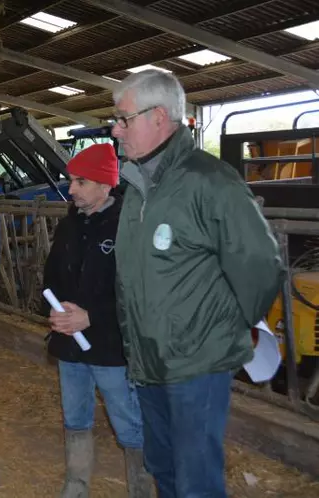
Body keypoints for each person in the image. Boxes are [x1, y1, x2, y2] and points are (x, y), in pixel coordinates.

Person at [111, 69, 283, 497]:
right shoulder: (137, 186)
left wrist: (226, 328)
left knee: (196, 482)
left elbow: (259, 262)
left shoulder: (209, 180)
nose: (115, 129)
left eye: (123, 118)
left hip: (197, 362)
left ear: (159, 117)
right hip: (149, 359)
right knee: (164, 470)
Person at [43, 144, 153, 498]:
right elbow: (50, 278)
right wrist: (56, 309)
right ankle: (76, 484)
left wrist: (91, 316)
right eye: (71, 180)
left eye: (80, 181)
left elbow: (140, 291)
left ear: (106, 185)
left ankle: (142, 488)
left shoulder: (129, 226)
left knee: (129, 424)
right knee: (75, 417)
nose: (71, 188)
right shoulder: (67, 226)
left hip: (111, 347)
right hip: (69, 346)